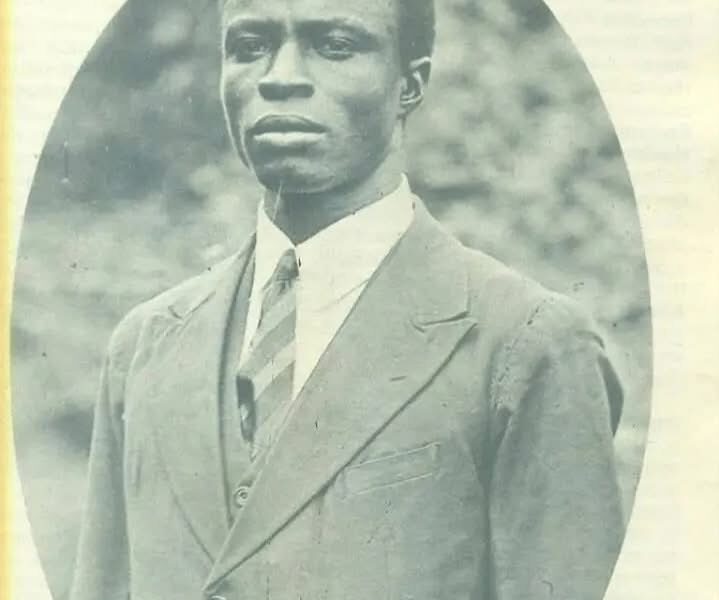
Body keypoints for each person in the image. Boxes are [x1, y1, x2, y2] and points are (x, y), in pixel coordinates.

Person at [70, 1, 625, 599]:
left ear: (409, 84)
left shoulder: (524, 342)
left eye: (335, 45)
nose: (280, 77)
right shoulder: (145, 345)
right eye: (250, 46)